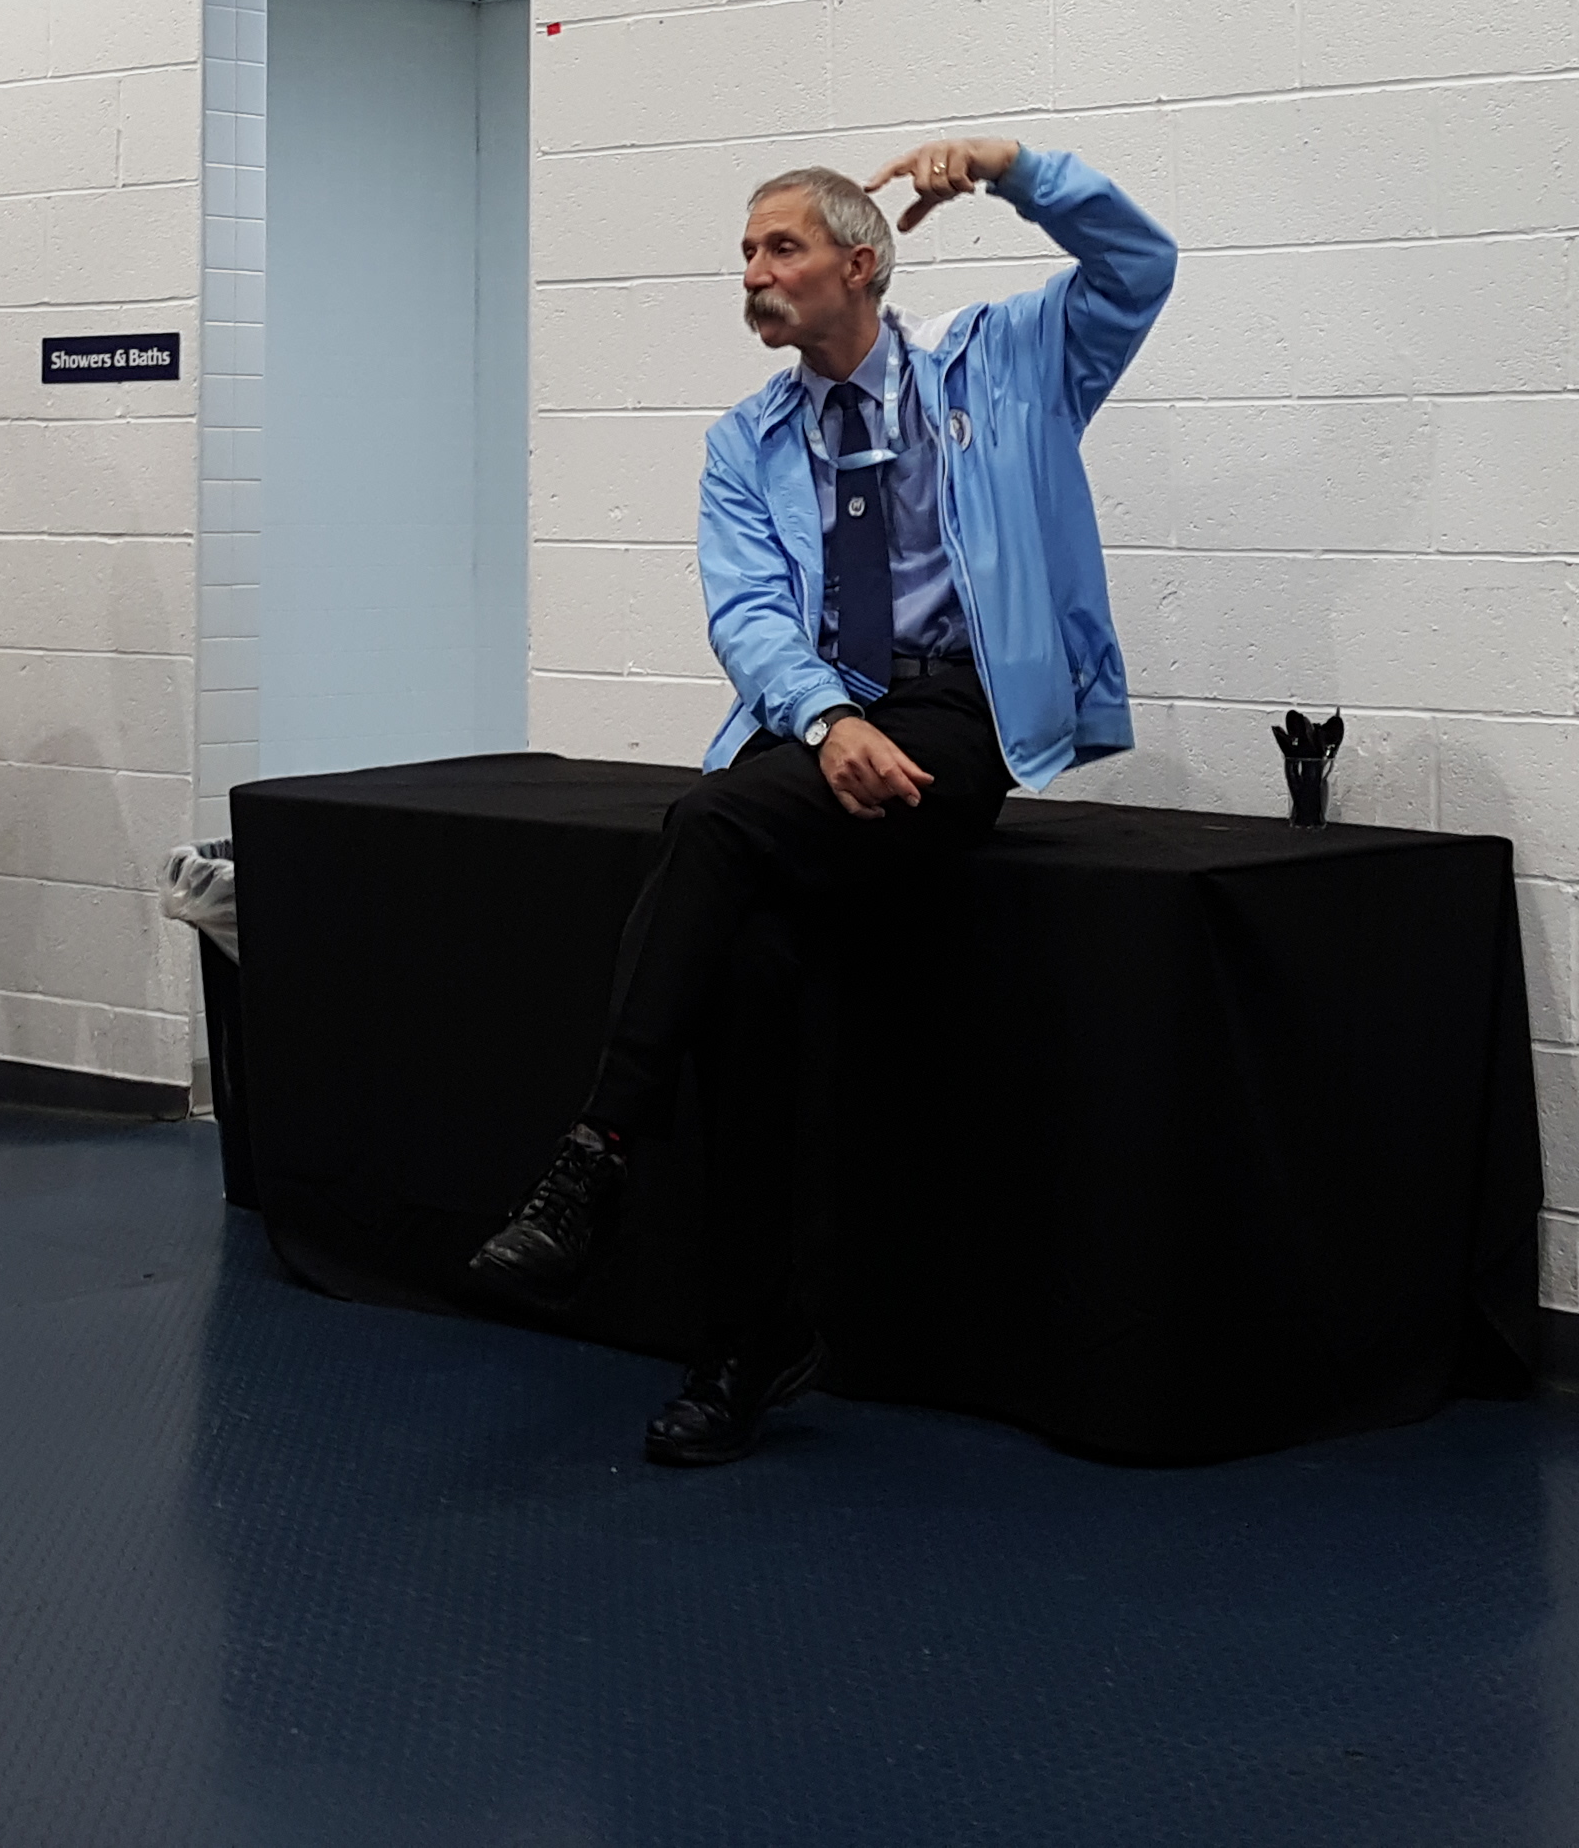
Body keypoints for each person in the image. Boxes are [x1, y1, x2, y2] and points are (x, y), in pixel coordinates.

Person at [466, 134, 1175, 1466]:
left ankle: (595, 1155)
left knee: (709, 822)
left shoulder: (1004, 366)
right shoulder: (746, 441)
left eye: (779, 247)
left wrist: (1015, 169)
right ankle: (749, 1345)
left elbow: (1140, 265)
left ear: (861, 263)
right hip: (821, 722)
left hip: (956, 716)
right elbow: (746, 613)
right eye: (744, 252)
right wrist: (825, 718)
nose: (753, 272)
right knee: (744, 969)